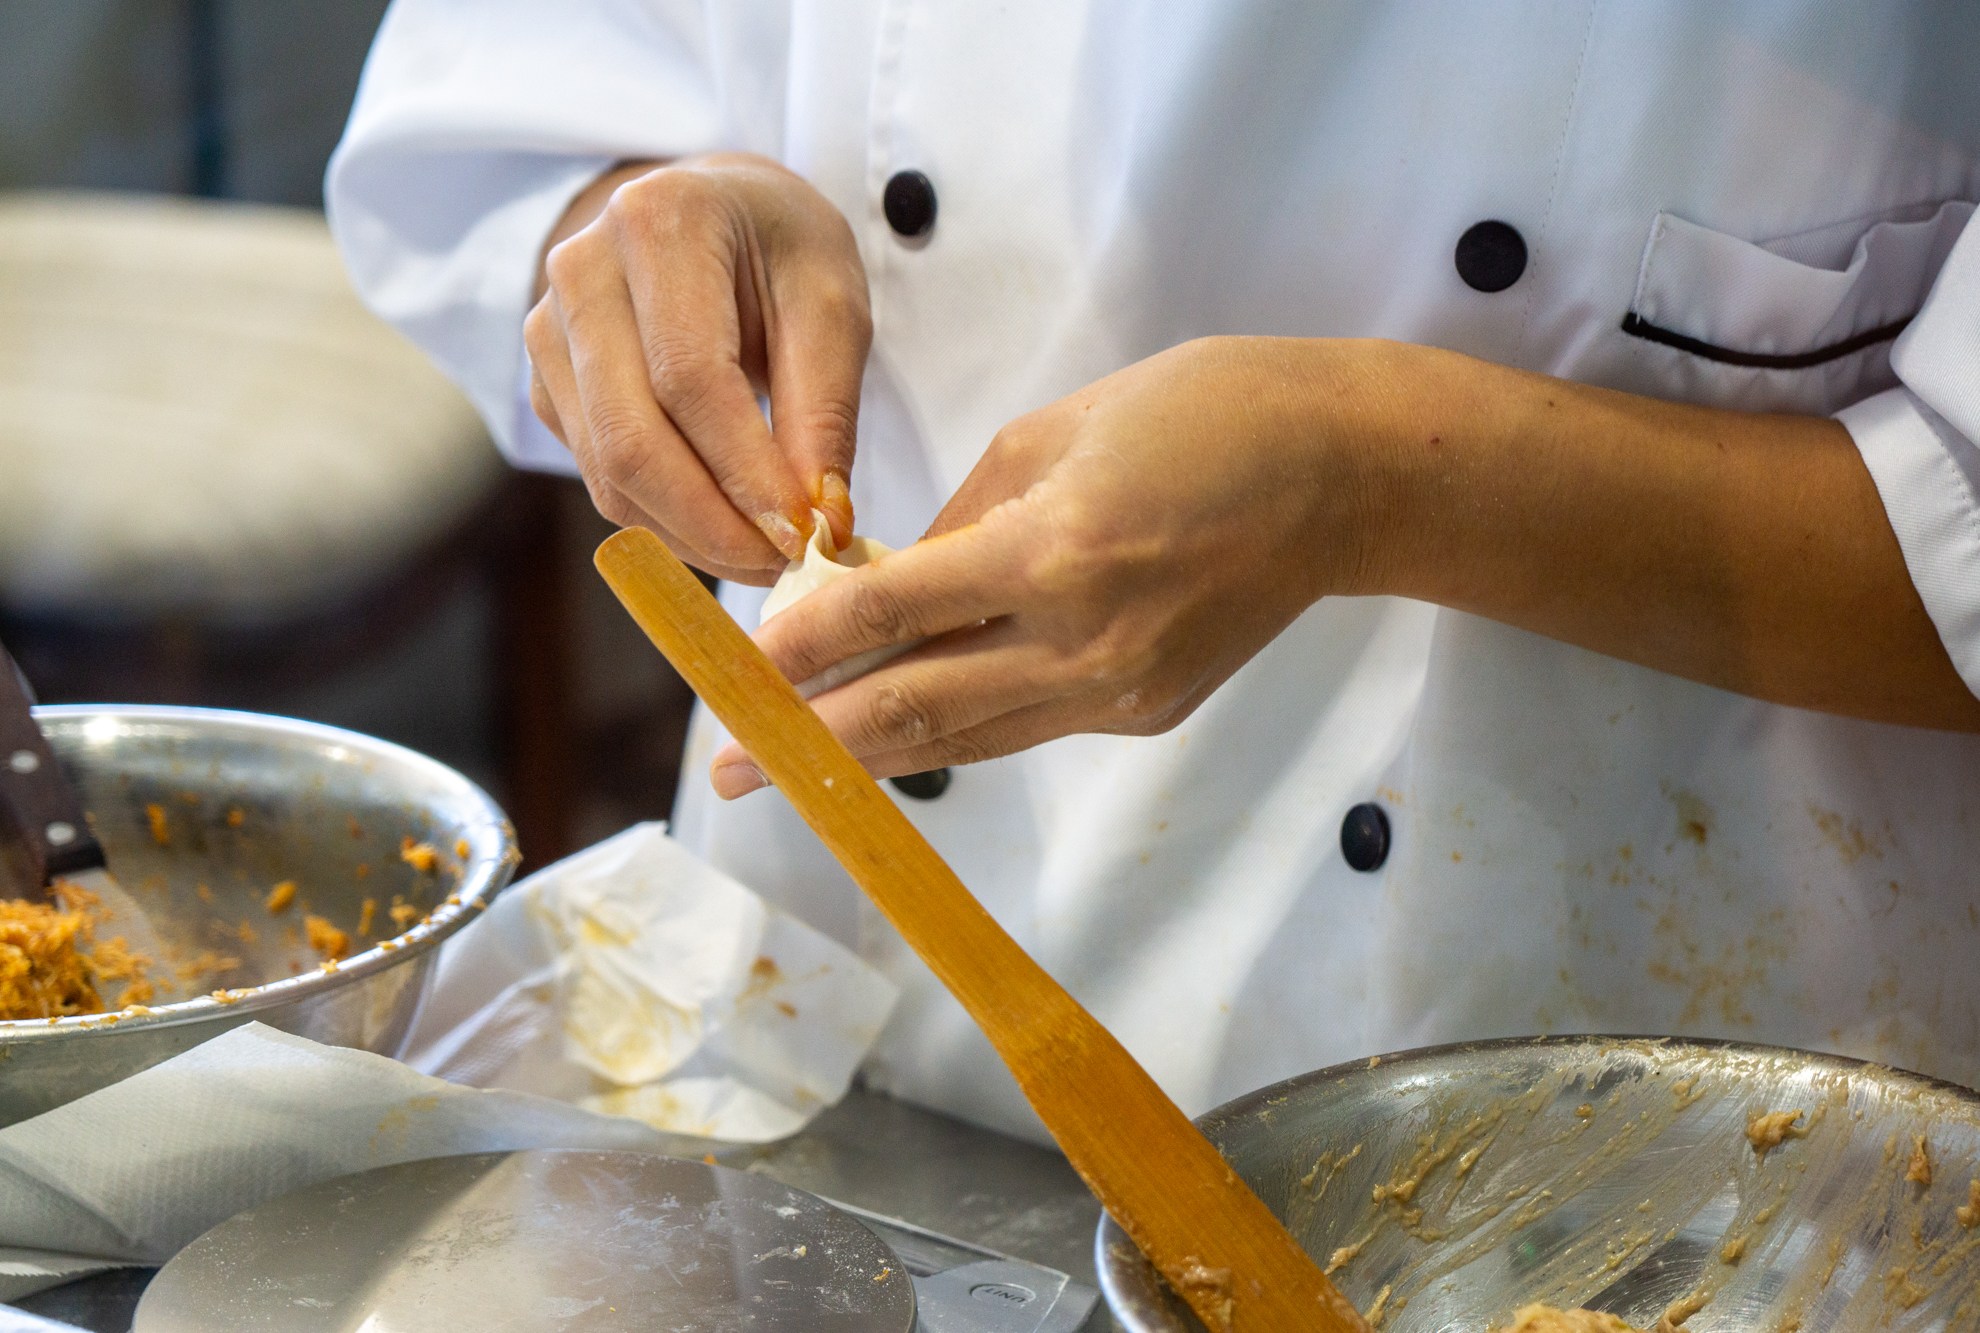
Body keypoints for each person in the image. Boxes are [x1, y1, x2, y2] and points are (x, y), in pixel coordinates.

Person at [328, 3, 1980, 1143]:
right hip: (850, 1020)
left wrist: (1365, 476)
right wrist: (646, 245)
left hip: (1692, 1107)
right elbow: (520, 127)